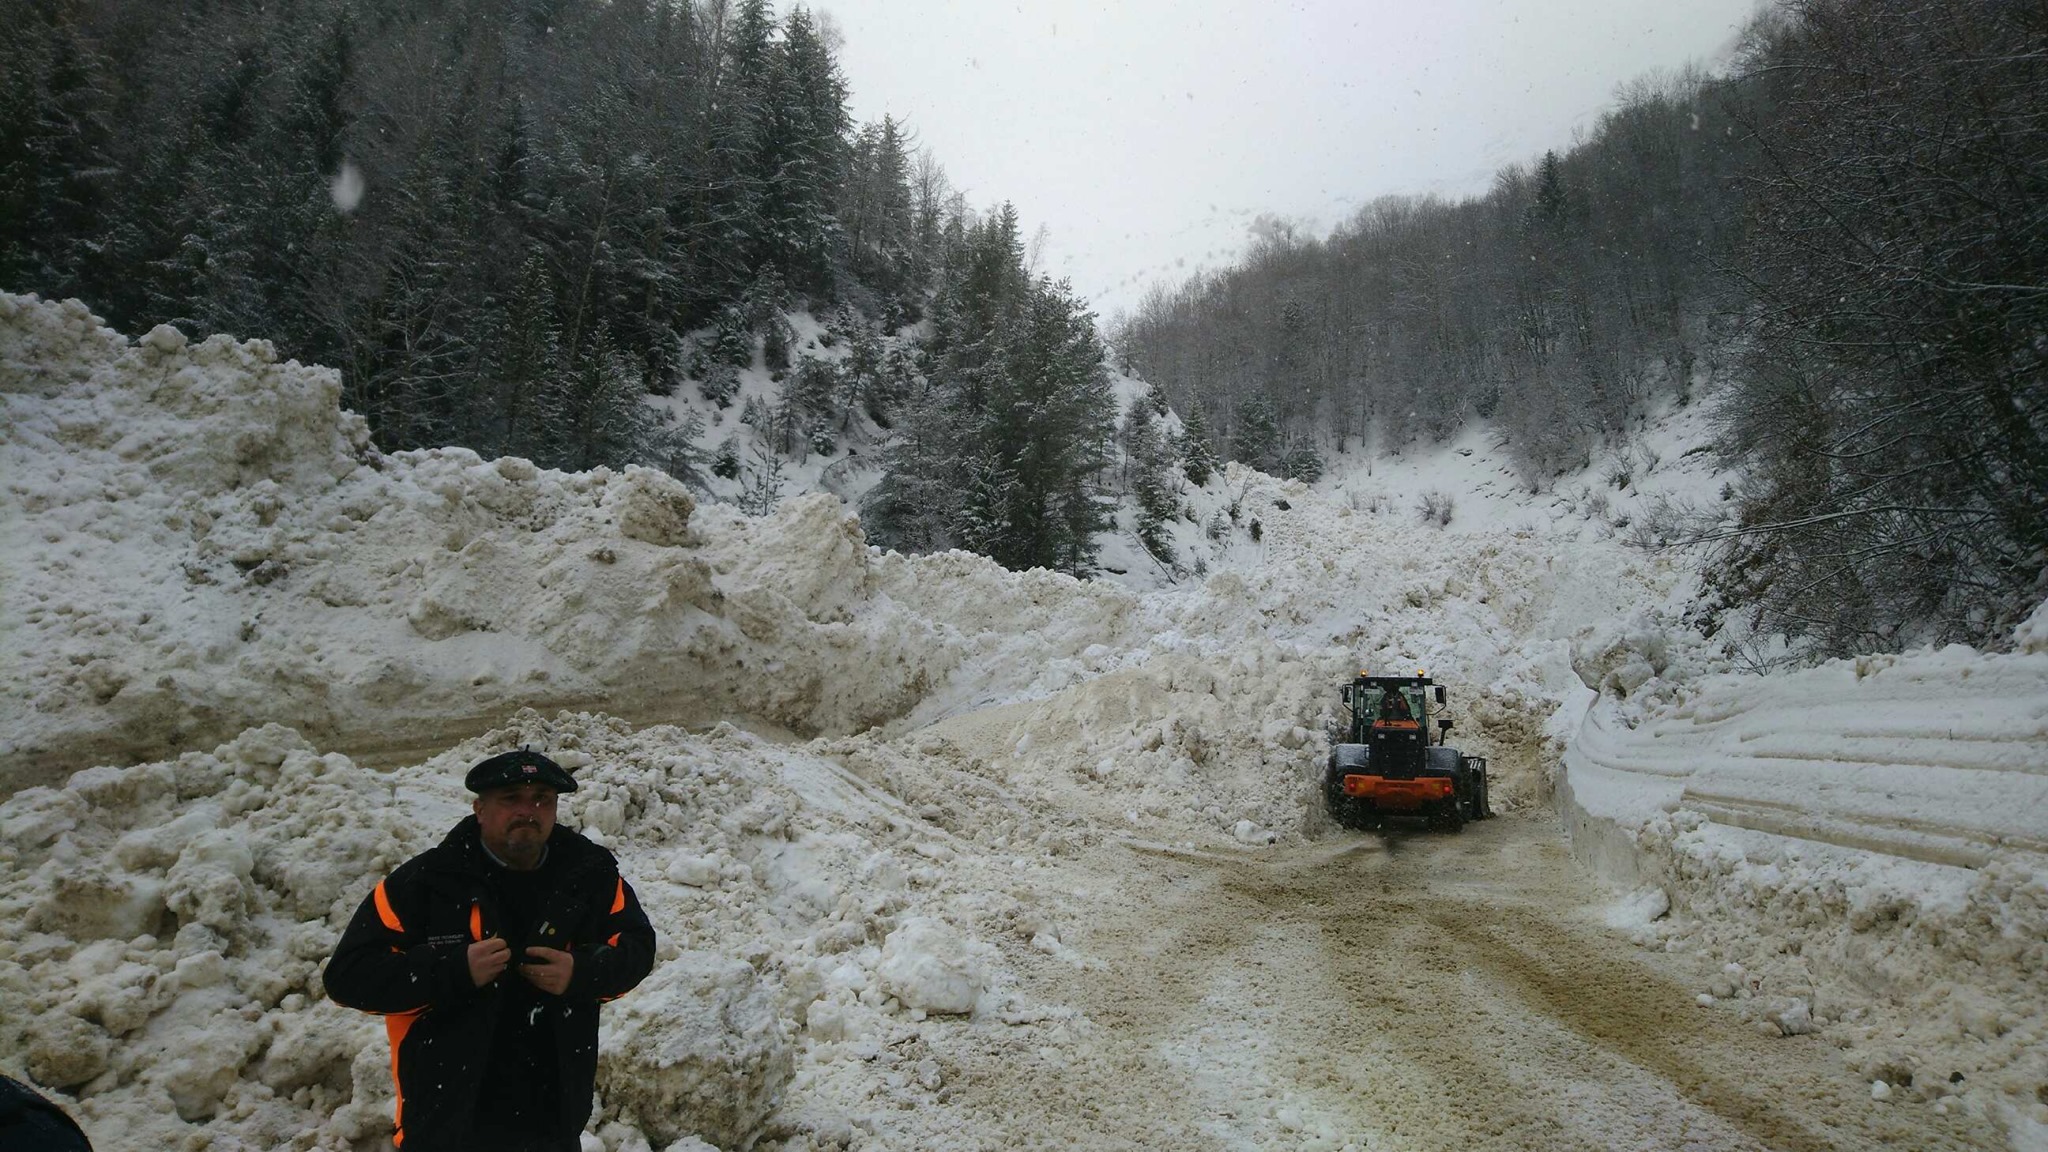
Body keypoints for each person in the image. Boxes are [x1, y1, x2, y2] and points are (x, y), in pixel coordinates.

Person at [325, 749, 655, 1152]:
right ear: (480, 809)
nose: (528, 810)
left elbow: (637, 948)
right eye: (511, 797)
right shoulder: (427, 883)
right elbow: (348, 976)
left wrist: (582, 972)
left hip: (552, 1121)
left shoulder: (588, 874)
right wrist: (452, 970)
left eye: (541, 799)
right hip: (447, 1122)